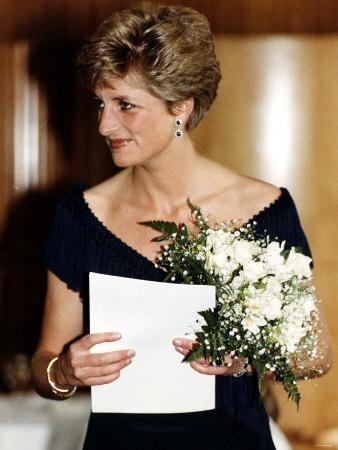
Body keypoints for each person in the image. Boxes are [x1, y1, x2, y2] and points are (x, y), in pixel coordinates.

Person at [31, 3, 333, 449]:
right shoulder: (81, 215)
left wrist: (248, 359)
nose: (104, 124)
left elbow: (317, 353)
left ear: (181, 107)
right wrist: (64, 371)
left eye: (125, 105)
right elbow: (44, 361)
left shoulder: (265, 208)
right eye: (100, 102)